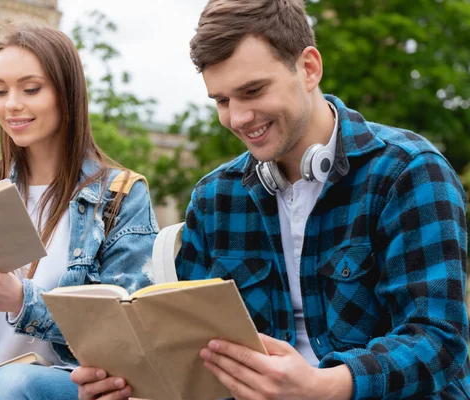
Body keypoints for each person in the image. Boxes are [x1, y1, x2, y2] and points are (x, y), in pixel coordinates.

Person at [72, 0, 470, 399]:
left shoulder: (408, 172)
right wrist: (133, 383)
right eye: (223, 101)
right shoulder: (215, 198)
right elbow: (189, 350)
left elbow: (438, 340)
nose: (239, 118)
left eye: (253, 91)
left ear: (309, 68)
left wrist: (325, 386)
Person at [0, 22, 159, 400]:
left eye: (31, 89)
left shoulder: (118, 197)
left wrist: (23, 301)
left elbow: (130, 329)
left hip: (61, 388)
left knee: (11, 385)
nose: (11, 105)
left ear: (66, 94)